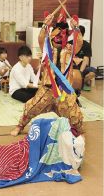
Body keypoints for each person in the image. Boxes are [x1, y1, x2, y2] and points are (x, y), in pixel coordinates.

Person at [10, 9, 84, 137]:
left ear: (66, 36)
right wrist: (45, 25)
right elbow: (41, 38)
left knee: (75, 114)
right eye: (56, 35)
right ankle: (20, 125)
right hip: (47, 90)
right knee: (31, 107)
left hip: (64, 92)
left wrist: (76, 27)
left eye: (62, 35)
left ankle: (77, 132)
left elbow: (79, 43)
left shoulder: (70, 49)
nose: (59, 37)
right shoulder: (47, 47)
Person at [69, 25, 96, 90]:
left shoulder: (86, 45)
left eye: (78, 34)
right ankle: (77, 82)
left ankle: (81, 81)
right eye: (74, 34)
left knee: (92, 72)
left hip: (82, 69)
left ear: (82, 35)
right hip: (71, 68)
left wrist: (80, 72)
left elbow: (86, 59)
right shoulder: (69, 44)